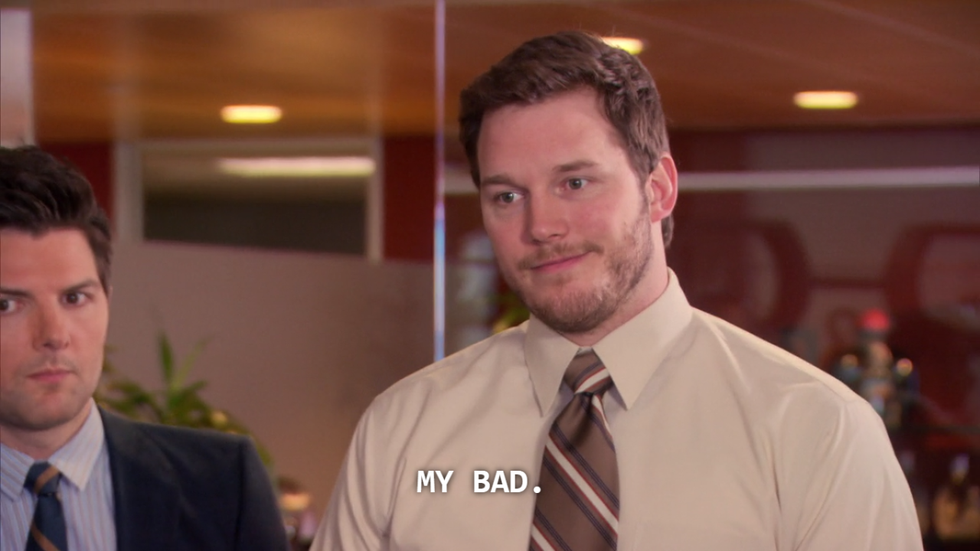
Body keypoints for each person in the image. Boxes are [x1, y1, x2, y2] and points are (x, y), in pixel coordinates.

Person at [312, 31, 922, 550]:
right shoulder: (405, 429)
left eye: (575, 183)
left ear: (658, 189)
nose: (541, 226)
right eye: (507, 196)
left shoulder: (816, 431)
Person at [0, 146, 290, 551]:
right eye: (7, 305)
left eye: (75, 298)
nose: (54, 334)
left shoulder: (223, 484)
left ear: (107, 301)